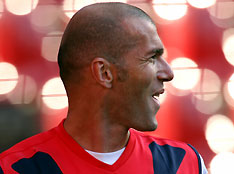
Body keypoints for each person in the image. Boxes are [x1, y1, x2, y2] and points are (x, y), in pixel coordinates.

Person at [0, 2, 208, 174]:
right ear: (104, 73)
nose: (168, 73)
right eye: (152, 58)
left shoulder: (185, 164)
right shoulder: (15, 169)